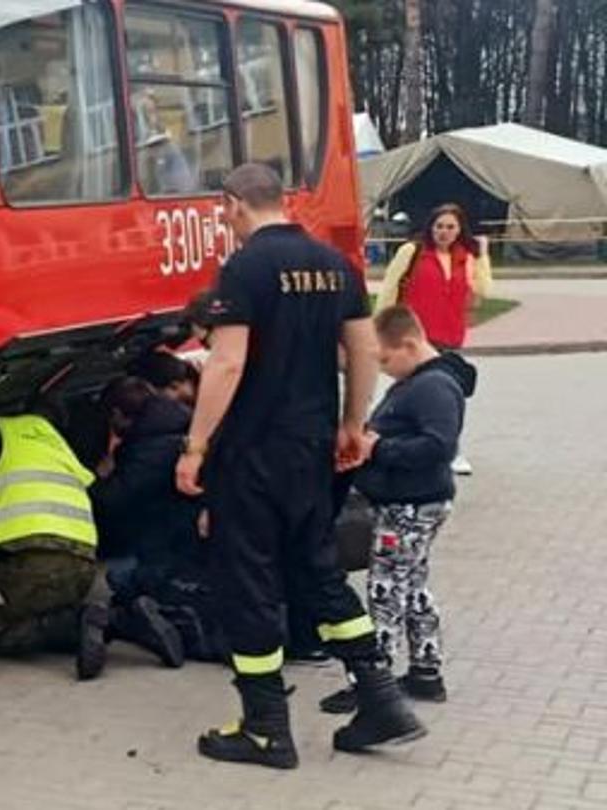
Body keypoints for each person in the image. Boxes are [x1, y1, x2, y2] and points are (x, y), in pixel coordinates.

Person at [178, 163, 424, 769]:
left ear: (233, 204)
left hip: (252, 451)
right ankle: (381, 697)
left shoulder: (245, 269)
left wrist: (195, 447)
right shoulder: (335, 266)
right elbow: (363, 348)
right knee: (315, 570)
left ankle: (265, 727)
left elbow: (227, 364)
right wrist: (352, 423)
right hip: (312, 448)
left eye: (223, 212)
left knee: (250, 581)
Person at [319, 305, 475, 714]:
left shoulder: (432, 387)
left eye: (386, 359)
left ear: (409, 344)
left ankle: (375, 681)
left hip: (410, 502)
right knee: (411, 584)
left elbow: (440, 445)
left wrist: (380, 448)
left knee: (384, 588)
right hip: (414, 499)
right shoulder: (421, 382)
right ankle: (425, 669)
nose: (384, 369)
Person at [0, 411, 111, 680]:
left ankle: (78, 622)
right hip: (85, 566)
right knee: (36, 601)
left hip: (38, 563)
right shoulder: (48, 436)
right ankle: (109, 622)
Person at [376, 203, 491, 476]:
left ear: (460, 230)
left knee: (448, 394)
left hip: (450, 334)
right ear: (430, 227)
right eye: (439, 226)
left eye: (451, 227)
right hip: (416, 336)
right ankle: (403, 439)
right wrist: (380, 326)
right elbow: (390, 287)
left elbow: (483, 289)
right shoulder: (413, 252)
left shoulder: (466, 257)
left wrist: (483, 255)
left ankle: (449, 446)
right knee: (415, 392)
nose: (444, 232)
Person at [90, 377, 194, 668]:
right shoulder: (175, 429)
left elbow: (114, 500)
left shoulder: (151, 450)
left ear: (119, 415)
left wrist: (98, 477)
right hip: (183, 538)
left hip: (174, 548)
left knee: (118, 577)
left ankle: (132, 619)